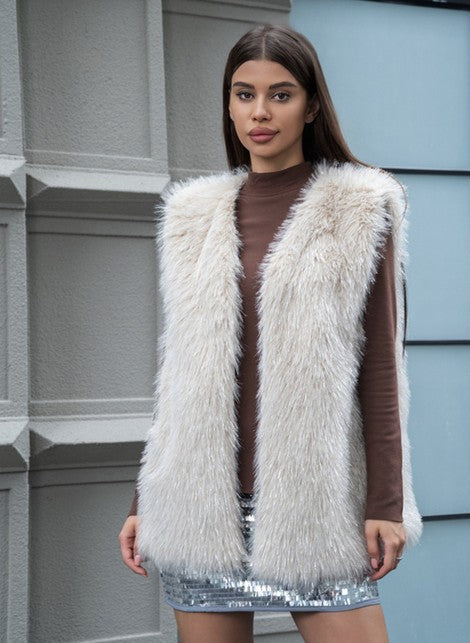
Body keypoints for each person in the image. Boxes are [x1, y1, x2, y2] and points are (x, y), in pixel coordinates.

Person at [118, 23, 422, 643]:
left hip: (316, 506)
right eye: (243, 93)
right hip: (201, 506)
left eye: (281, 95)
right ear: (228, 103)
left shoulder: (361, 207)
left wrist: (386, 503)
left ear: (312, 105)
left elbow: (382, 369)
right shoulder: (191, 214)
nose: (259, 112)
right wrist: (142, 499)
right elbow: (182, 376)